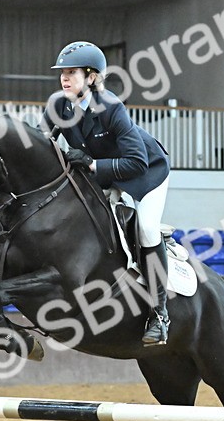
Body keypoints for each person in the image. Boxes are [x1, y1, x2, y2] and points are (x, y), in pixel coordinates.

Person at [40, 40, 172, 345]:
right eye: (62, 72)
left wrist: (91, 163)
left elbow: (136, 162)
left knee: (147, 228)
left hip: (146, 173)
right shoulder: (59, 105)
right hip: (102, 174)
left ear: (92, 77)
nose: (64, 78)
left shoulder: (110, 107)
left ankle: (160, 314)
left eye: (71, 72)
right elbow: (41, 142)